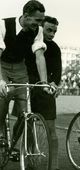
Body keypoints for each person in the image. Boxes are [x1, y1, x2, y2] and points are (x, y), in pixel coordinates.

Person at [0, 1, 48, 155]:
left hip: (20, 68)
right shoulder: (3, 25)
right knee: (3, 97)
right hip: (2, 65)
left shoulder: (37, 30)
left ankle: (13, 143)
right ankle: (1, 132)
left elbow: (39, 57)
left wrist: (44, 82)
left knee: (24, 110)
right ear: (26, 16)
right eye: (37, 20)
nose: (40, 24)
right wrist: (1, 80)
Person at [24, 16, 63, 170]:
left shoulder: (54, 48)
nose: (52, 34)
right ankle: (28, 163)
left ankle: (54, 168)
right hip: (27, 87)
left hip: (44, 89)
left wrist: (53, 84)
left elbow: (57, 74)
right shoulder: (28, 43)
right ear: (40, 27)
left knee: (51, 130)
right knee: (27, 128)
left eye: (54, 31)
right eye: (49, 30)